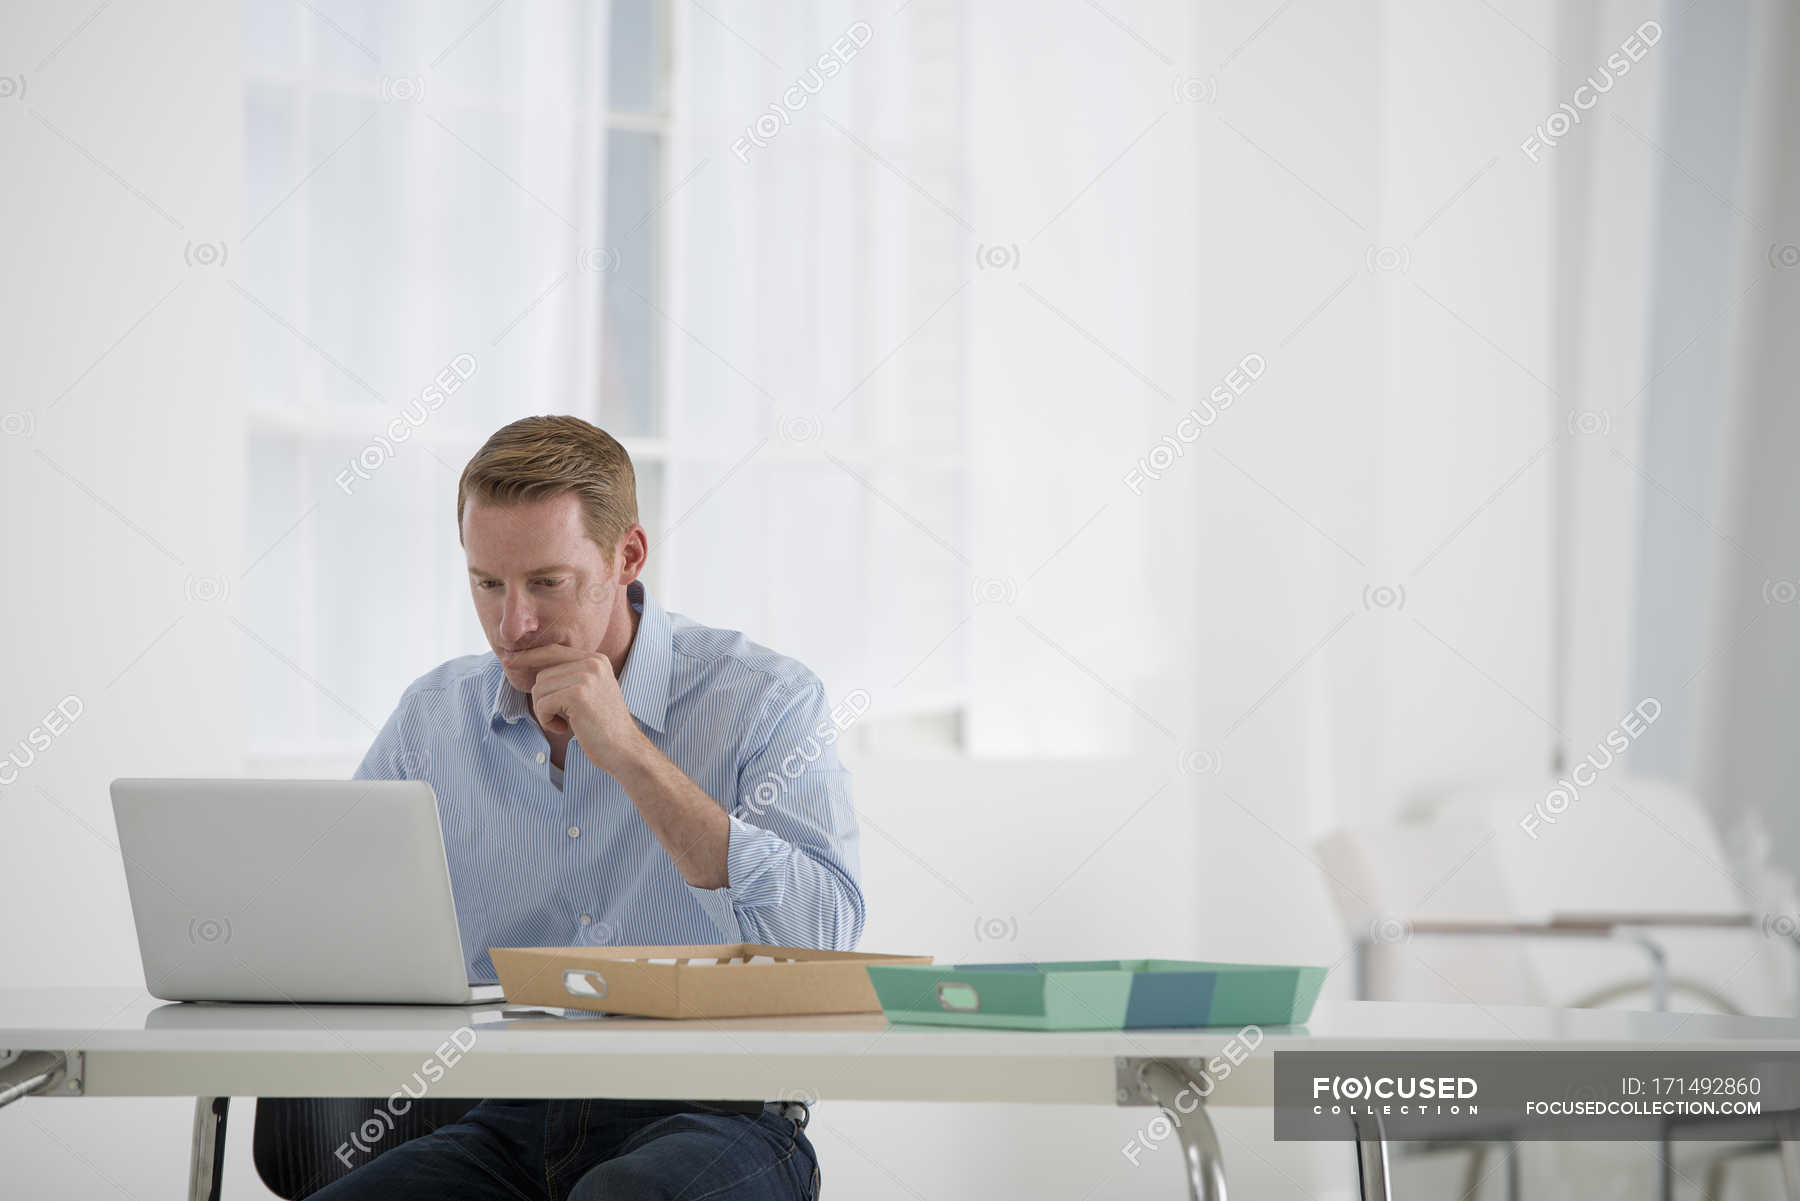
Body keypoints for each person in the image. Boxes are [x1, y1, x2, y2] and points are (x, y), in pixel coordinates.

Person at [315, 415, 862, 1200]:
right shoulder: (433, 720)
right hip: (506, 1118)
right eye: (487, 583)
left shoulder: (766, 700)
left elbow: (827, 937)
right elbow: (338, 922)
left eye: (547, 582)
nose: (514, 624)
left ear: (627, 556)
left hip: (719, 1118)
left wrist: (632, 754)